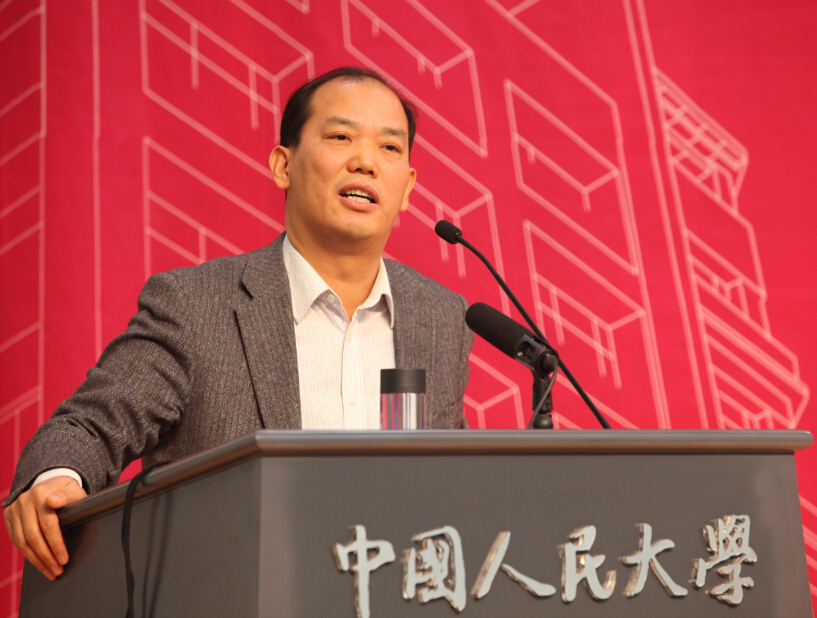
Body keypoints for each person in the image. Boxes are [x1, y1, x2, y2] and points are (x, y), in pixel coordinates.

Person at [2, 67, 473, 581]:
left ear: (407, 187)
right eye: (341, 137)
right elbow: (87, 427)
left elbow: (445, 484)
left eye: (389, 147)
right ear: (283, 165)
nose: (365, 161)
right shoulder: (197, 305)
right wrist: (55, 477)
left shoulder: (440, 319)